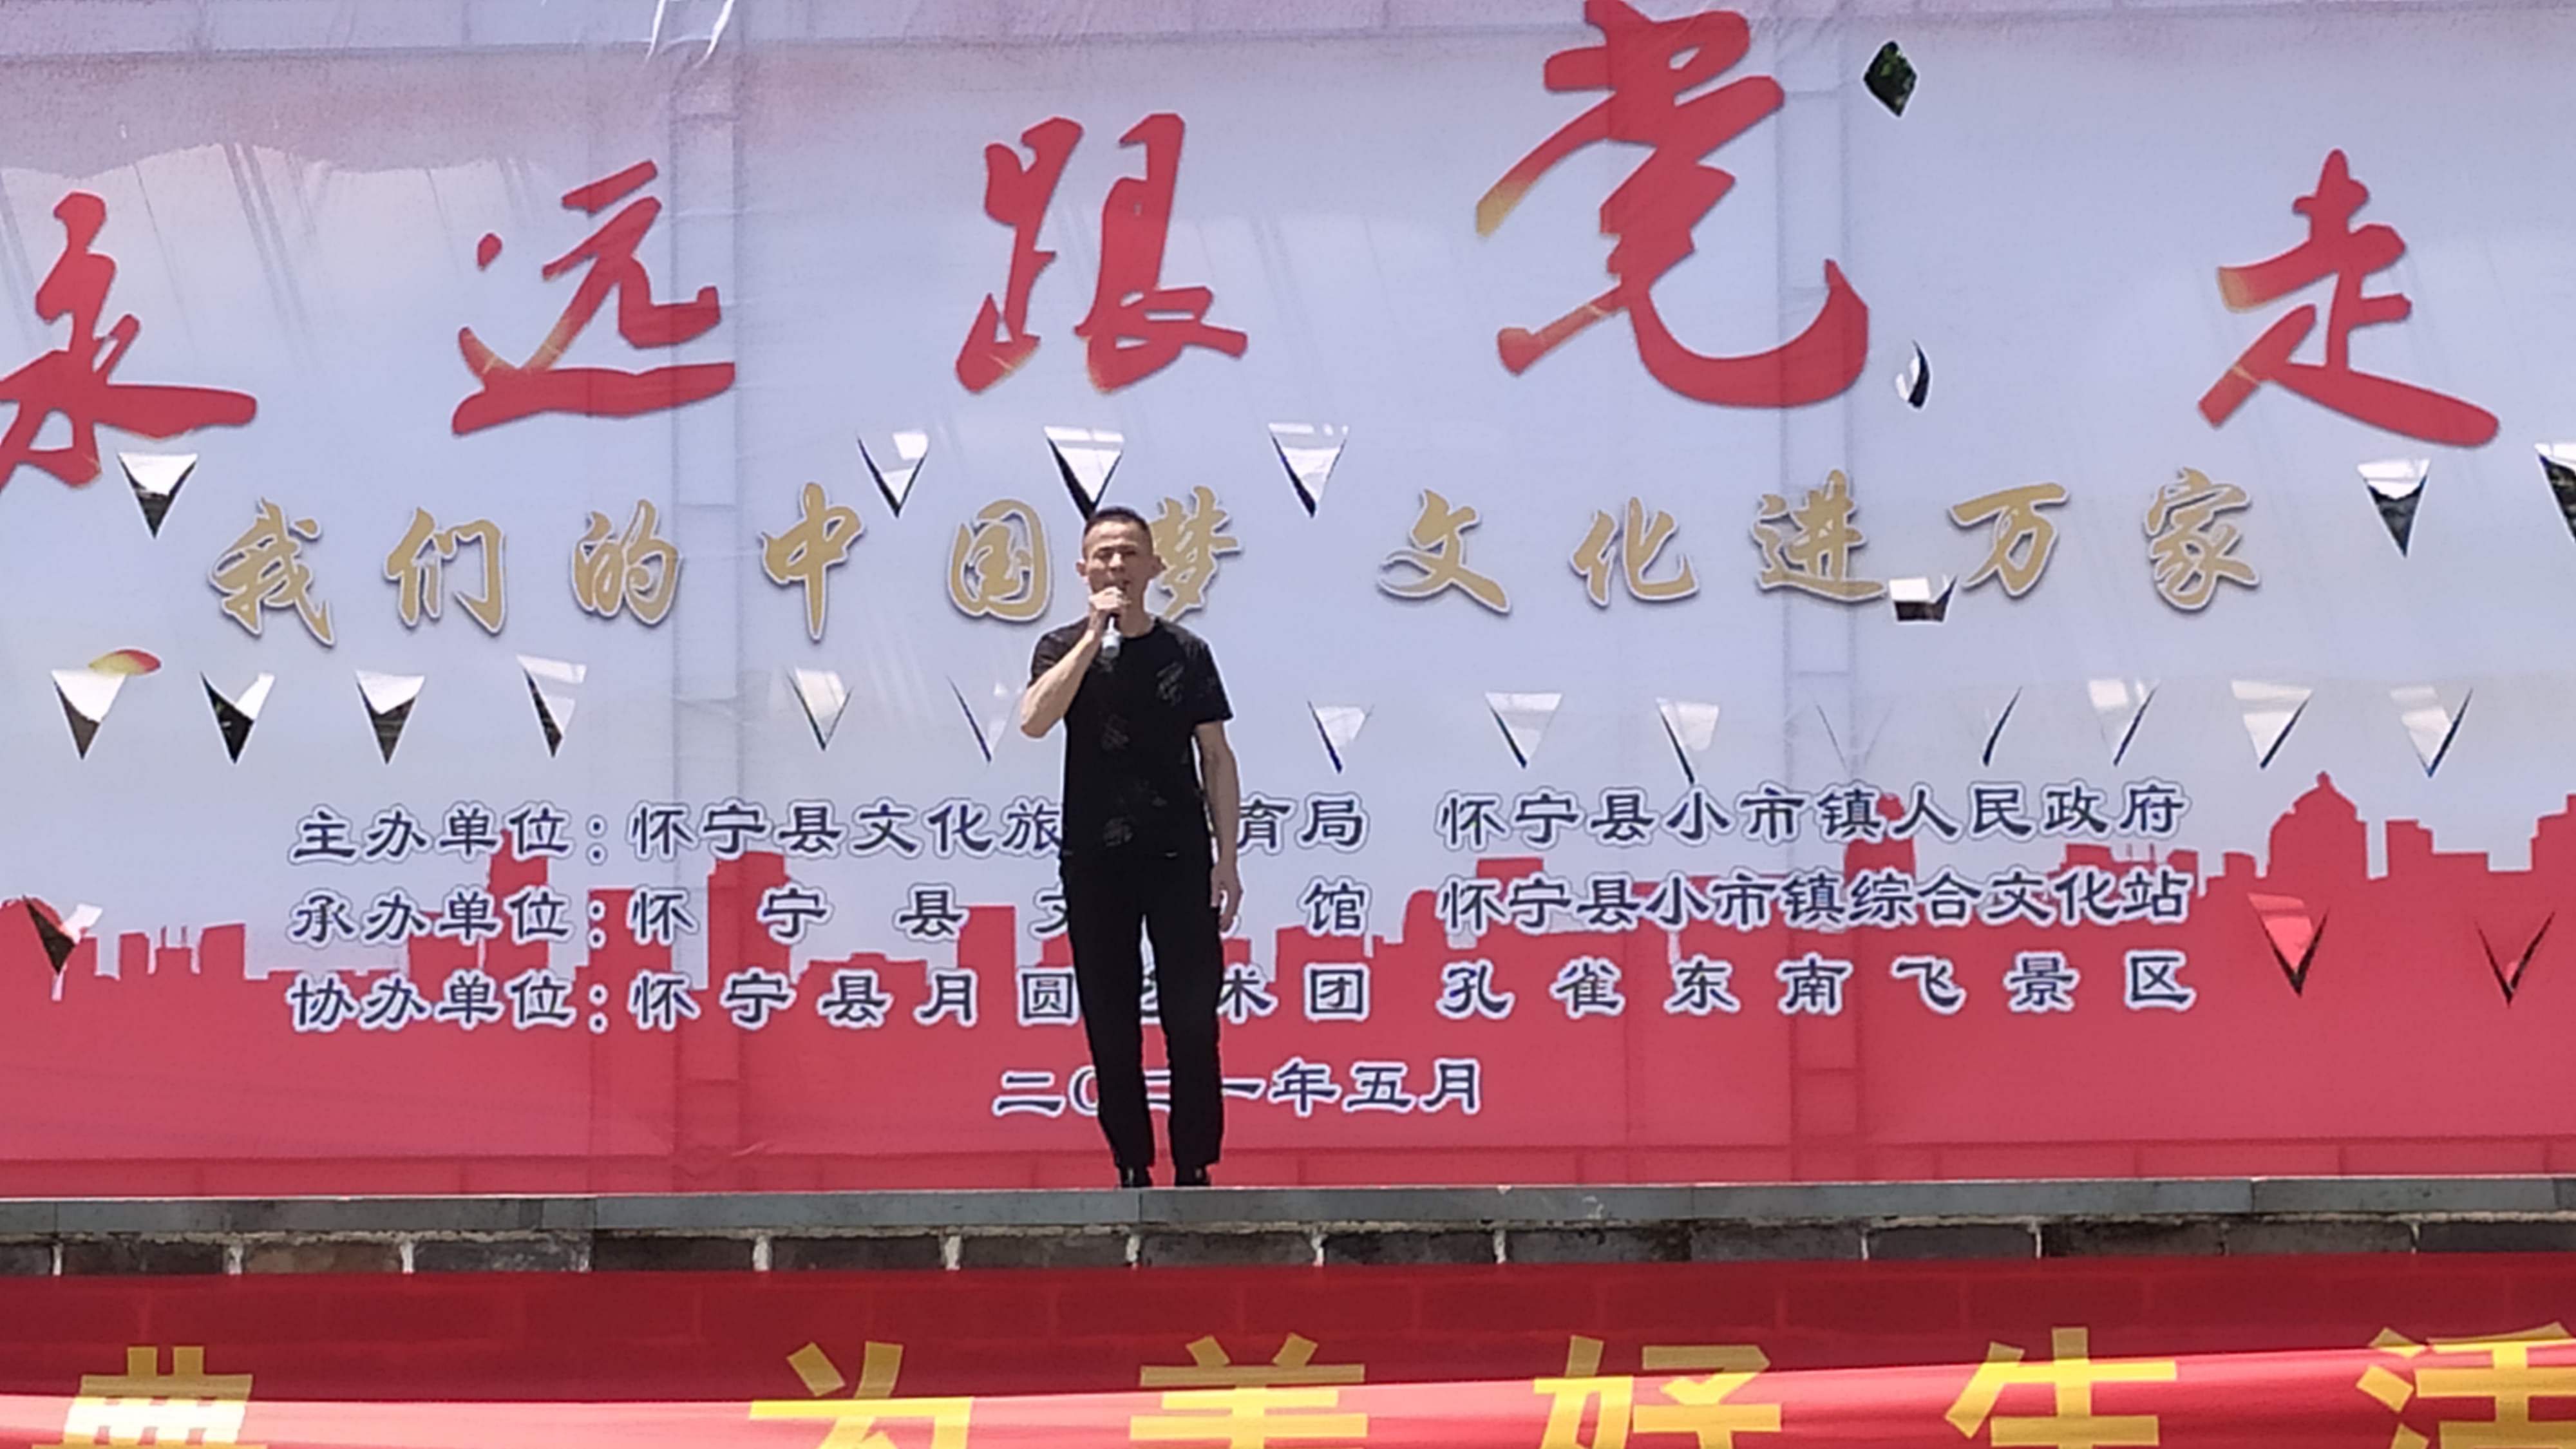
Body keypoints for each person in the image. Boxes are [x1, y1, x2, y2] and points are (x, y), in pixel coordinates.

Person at [1019, 506, 1242, 1188]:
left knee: (1191, 1016)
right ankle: (1130, 1165)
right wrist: (1094, 636)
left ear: (1154, 566)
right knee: (1111, 1020)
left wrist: (1228, 859)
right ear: (1083, 568)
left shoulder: (1186, 653)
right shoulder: (1061, 648)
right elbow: (1033, 720)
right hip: (1095, 858)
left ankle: (1194, 1163)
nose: (1117, 565)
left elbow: (1216, 755)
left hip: (1178, 854)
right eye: (1103, 554)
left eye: (1129, 553)